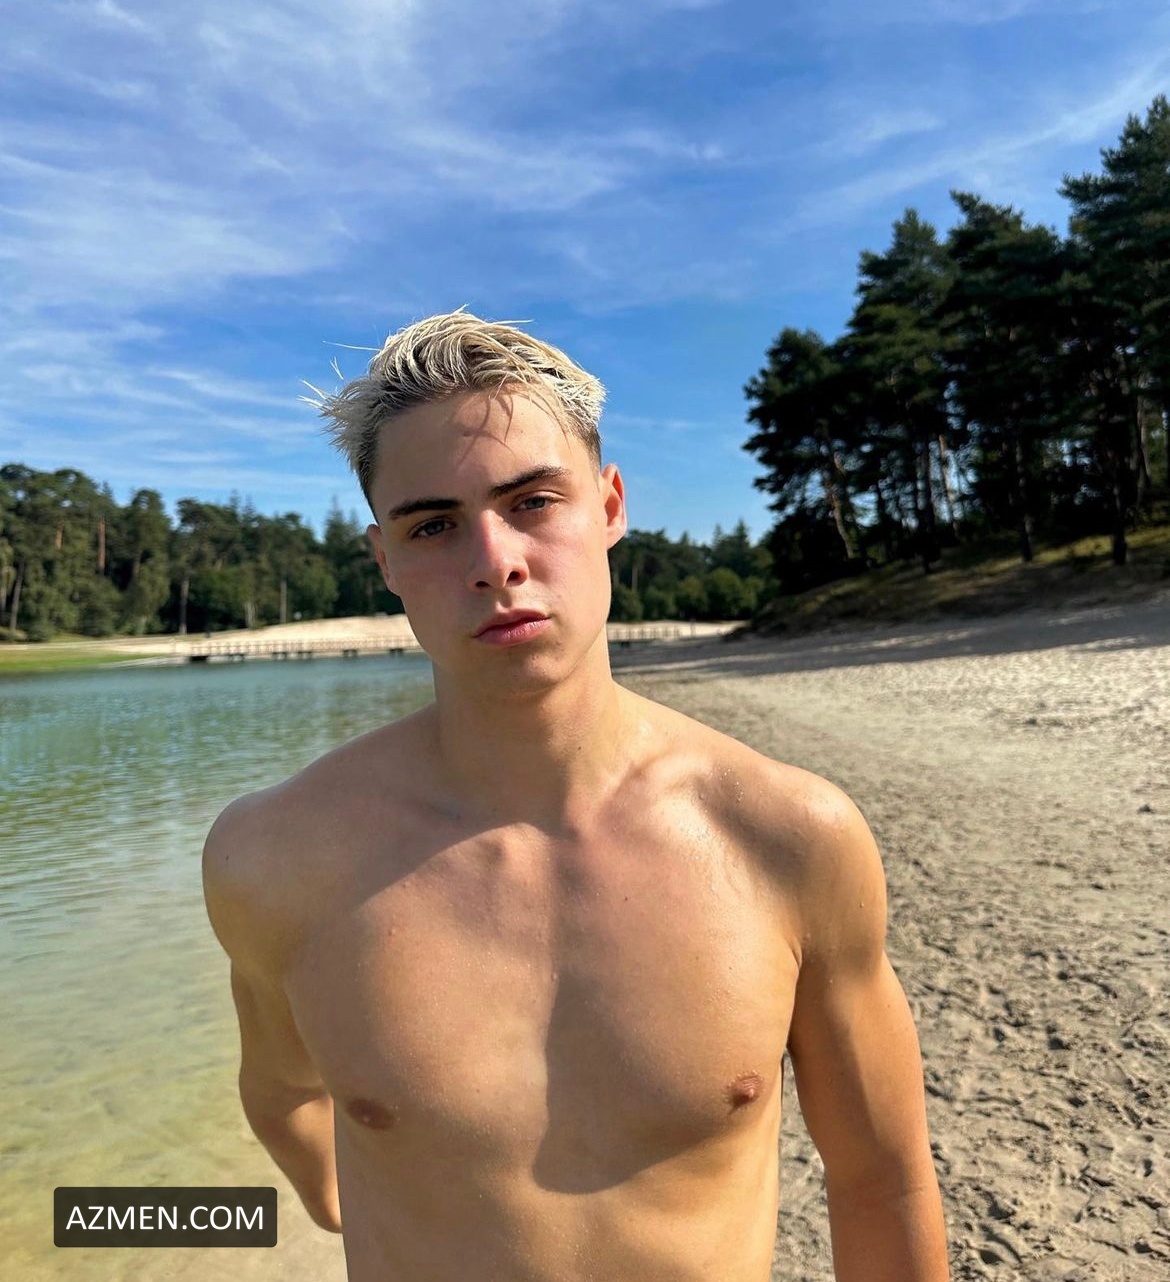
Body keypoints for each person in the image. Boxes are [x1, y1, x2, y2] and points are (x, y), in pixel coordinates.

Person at [202, 311, 950, 1281]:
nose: (494, 561)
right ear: (385, 561)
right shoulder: (276, 855)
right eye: (433, 525)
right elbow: (280, 1094)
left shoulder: (787, 837)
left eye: (532, 501)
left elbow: (881, 1180)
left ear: (609, 506)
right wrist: (357, 1207)